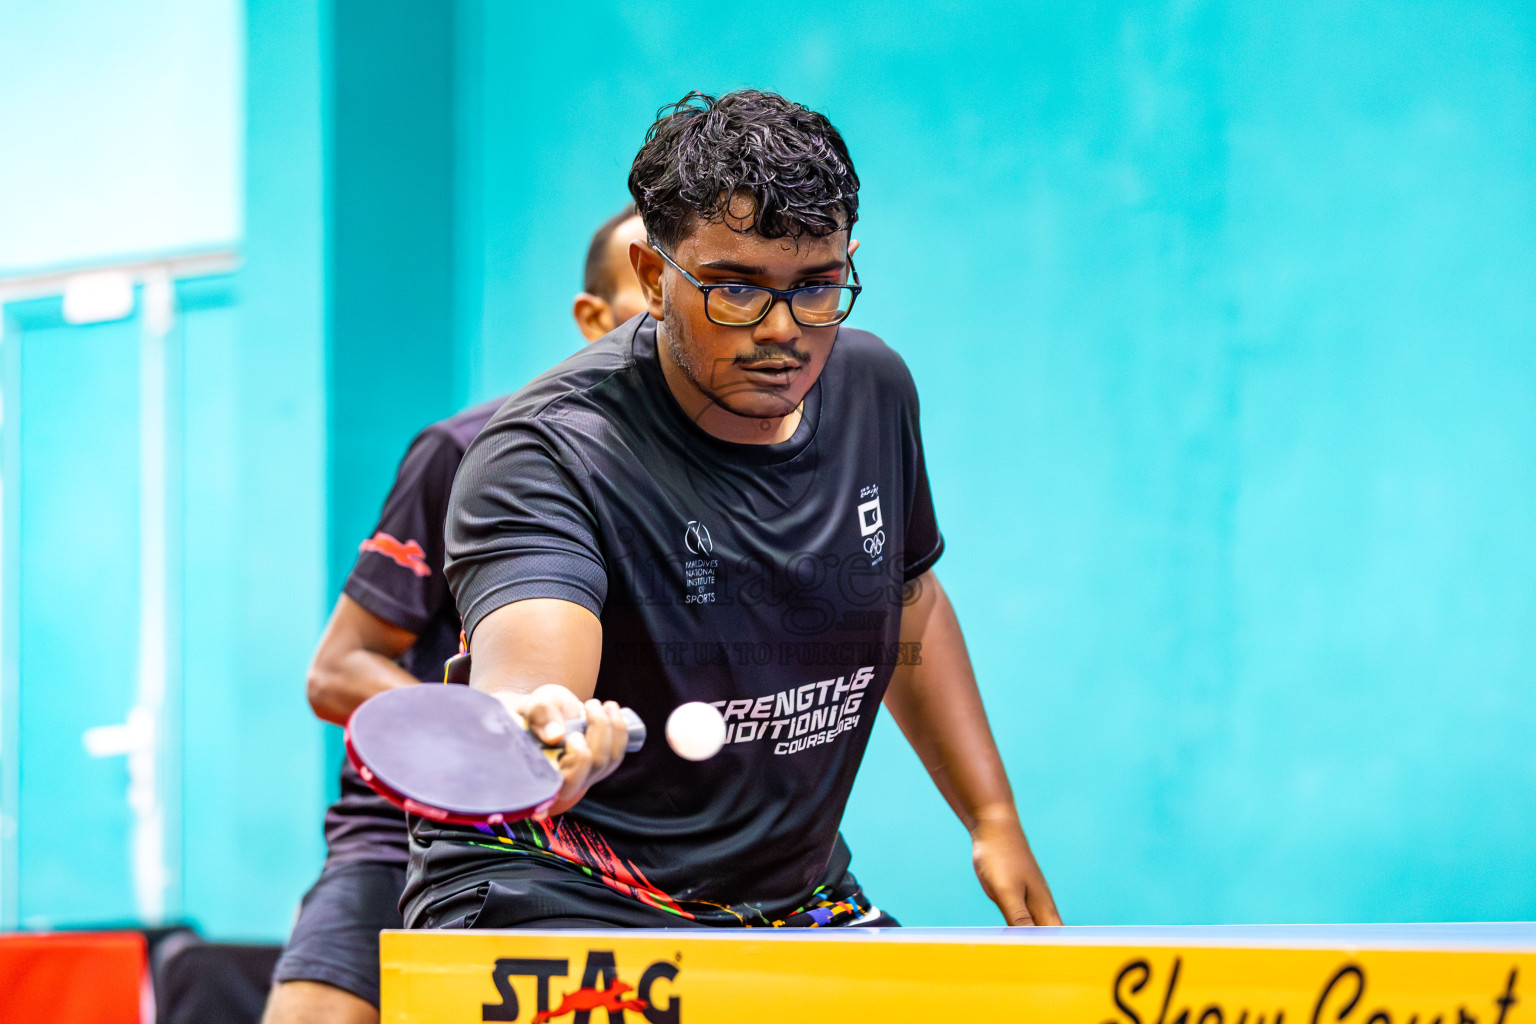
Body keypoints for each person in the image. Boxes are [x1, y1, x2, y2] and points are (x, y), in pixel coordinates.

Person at [403, 90, 1061, 932]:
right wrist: (543, 730)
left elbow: (907, 601)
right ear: (651, 276)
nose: (781, 329)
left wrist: (991, 818)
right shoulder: (547, 449)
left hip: (785, 895)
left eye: (816, 287)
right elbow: (533, 664)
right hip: (559, 890)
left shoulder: (873, 390)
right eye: (734, 289)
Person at [261, 206, 649, 1024]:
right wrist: (502, 724)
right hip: (417, 829)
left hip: (622, 841)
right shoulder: (469, 450)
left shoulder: (746, 471)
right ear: (592, 319)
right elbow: (335, 673)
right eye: (650, 294)